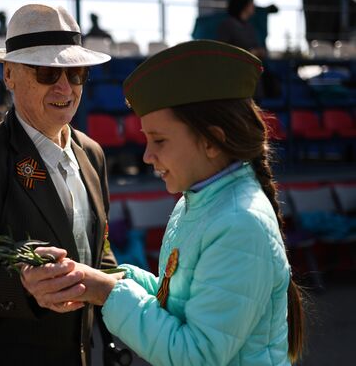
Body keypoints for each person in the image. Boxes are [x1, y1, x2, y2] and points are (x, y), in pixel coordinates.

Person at [22, 40, 306, 365]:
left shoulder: (239, 222)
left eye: (159, 140)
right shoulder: (199, 200)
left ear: (212, 141)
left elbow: (195, 355)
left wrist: (106, 292)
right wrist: (113, 278)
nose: (147, 155)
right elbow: (180, 299)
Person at [0, 4, 116, 366]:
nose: (65, 86)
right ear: (9, 75)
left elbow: (98, 245)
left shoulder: (92, 154)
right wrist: (22, 285)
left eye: (76, 71)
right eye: (47, 72)